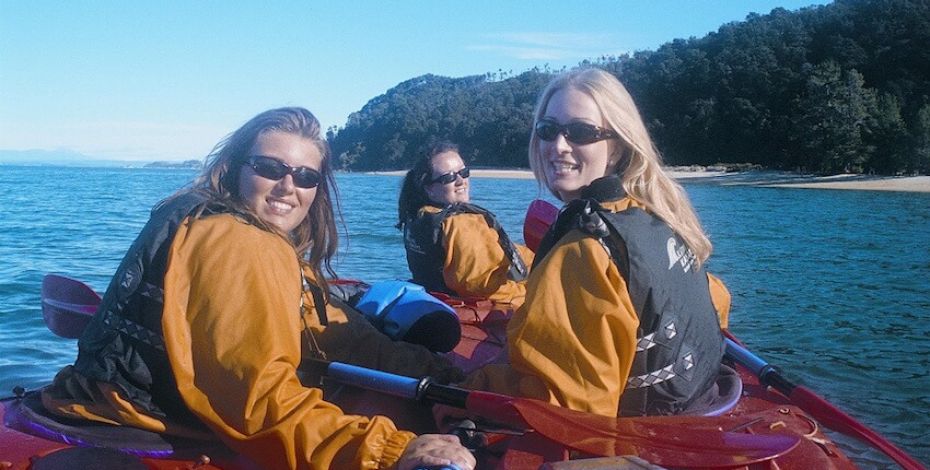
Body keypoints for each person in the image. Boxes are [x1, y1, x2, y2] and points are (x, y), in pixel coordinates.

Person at [40, 107, 475, 470]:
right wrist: (392, 451)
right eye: (270, 169)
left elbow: (341, 335)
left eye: (306, 176)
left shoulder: (237, 232)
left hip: (101, 402)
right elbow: (258, 402)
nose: (289, 186)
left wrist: (446, 380)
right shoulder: (238, 245)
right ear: (233, 170)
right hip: (132, 421)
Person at [462, 68, 735, 418]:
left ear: (618, 147)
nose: (558, 146)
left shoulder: (582, 252)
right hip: (702, 405)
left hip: (643, 435)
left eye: (580, 132)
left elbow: (566, 410)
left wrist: (462, 391)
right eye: (547, 130)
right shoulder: (660, 216)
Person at [397, 141, 533, 307]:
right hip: (469, 304)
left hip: (435, 295)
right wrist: (530, 293)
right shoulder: (462, 224)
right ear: (429, 188)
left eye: (464, 172)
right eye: (449, 177)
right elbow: (481, 285)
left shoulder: (418, 216)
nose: (461, 181)